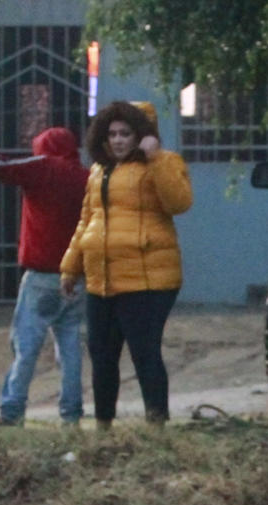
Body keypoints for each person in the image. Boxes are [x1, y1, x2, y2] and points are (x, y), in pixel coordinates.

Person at [61, 102, 191, 427]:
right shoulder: (98, 171)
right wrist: (70, 266)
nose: (118, 140)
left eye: (126, 134)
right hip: (101, 280)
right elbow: (87, 221)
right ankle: (104, 426)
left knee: (144, 354)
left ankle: (156, 426)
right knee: (102, 357)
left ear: (141, 135)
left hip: (148, 281)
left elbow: (179, 202)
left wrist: (155, 157)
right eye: (112, 134)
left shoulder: (164, 162)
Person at [0, 125, 90, 426]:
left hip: (42, 277)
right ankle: (72, 414)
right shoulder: (86, 177)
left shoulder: (45, 168)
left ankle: (12, 410)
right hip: (77, 277)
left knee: (26, 346)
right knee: (70, 347)